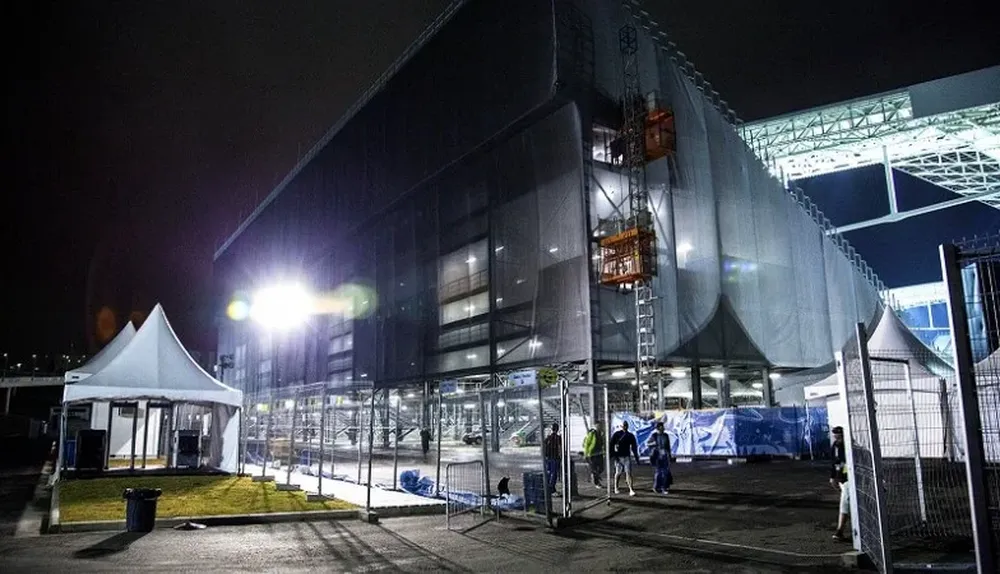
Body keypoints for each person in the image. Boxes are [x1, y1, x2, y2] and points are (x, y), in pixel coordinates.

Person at [830, 426, 851, 541]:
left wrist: (842, 472)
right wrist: (833, 477)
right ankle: (841, 530)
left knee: (845, 502)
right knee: (847, 502)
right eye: (835, 437)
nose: (837, 439)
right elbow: (834, 462)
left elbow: (846, 464)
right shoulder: (835, 446)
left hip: (848, 479)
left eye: (839, 437)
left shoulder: (848, 447)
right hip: (842, 479)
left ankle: (840, 530)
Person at [610, 421, 639, 496]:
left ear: (627, 426)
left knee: (628, 472)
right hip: (618, 457)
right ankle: (616, 487)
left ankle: (631, 489)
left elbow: (634, 447)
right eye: (624, 425)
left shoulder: (630, 435)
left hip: (626, 456)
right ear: (621, 426)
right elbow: (611, 445)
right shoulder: (616, 434)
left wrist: (636, 457)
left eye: (626, 425)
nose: (625, 427)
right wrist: (613, 455)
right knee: (618, 473)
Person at [645, 421, 672, 495]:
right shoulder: (654, 435)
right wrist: (653, 444)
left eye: (663, 426)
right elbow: (648, 443)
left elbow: (668, 446)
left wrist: (669, 455)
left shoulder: (666, 435)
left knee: (665, 472)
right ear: (658, 428)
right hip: (657, 456)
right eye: (661, 427)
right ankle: (657, 487)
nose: (663, 428)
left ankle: (663, 487)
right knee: (659, 472)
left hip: (665, 455)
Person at [543, 423, 562, 495]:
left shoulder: (548, 437)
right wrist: (561, 456)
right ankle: (552, 489)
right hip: (555, 457)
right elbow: (559, 448)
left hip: (548, 458)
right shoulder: (558, 438)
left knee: (549, 473)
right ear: (557, 429)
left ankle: (547, 488)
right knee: (554, 474)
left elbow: (544, 446)